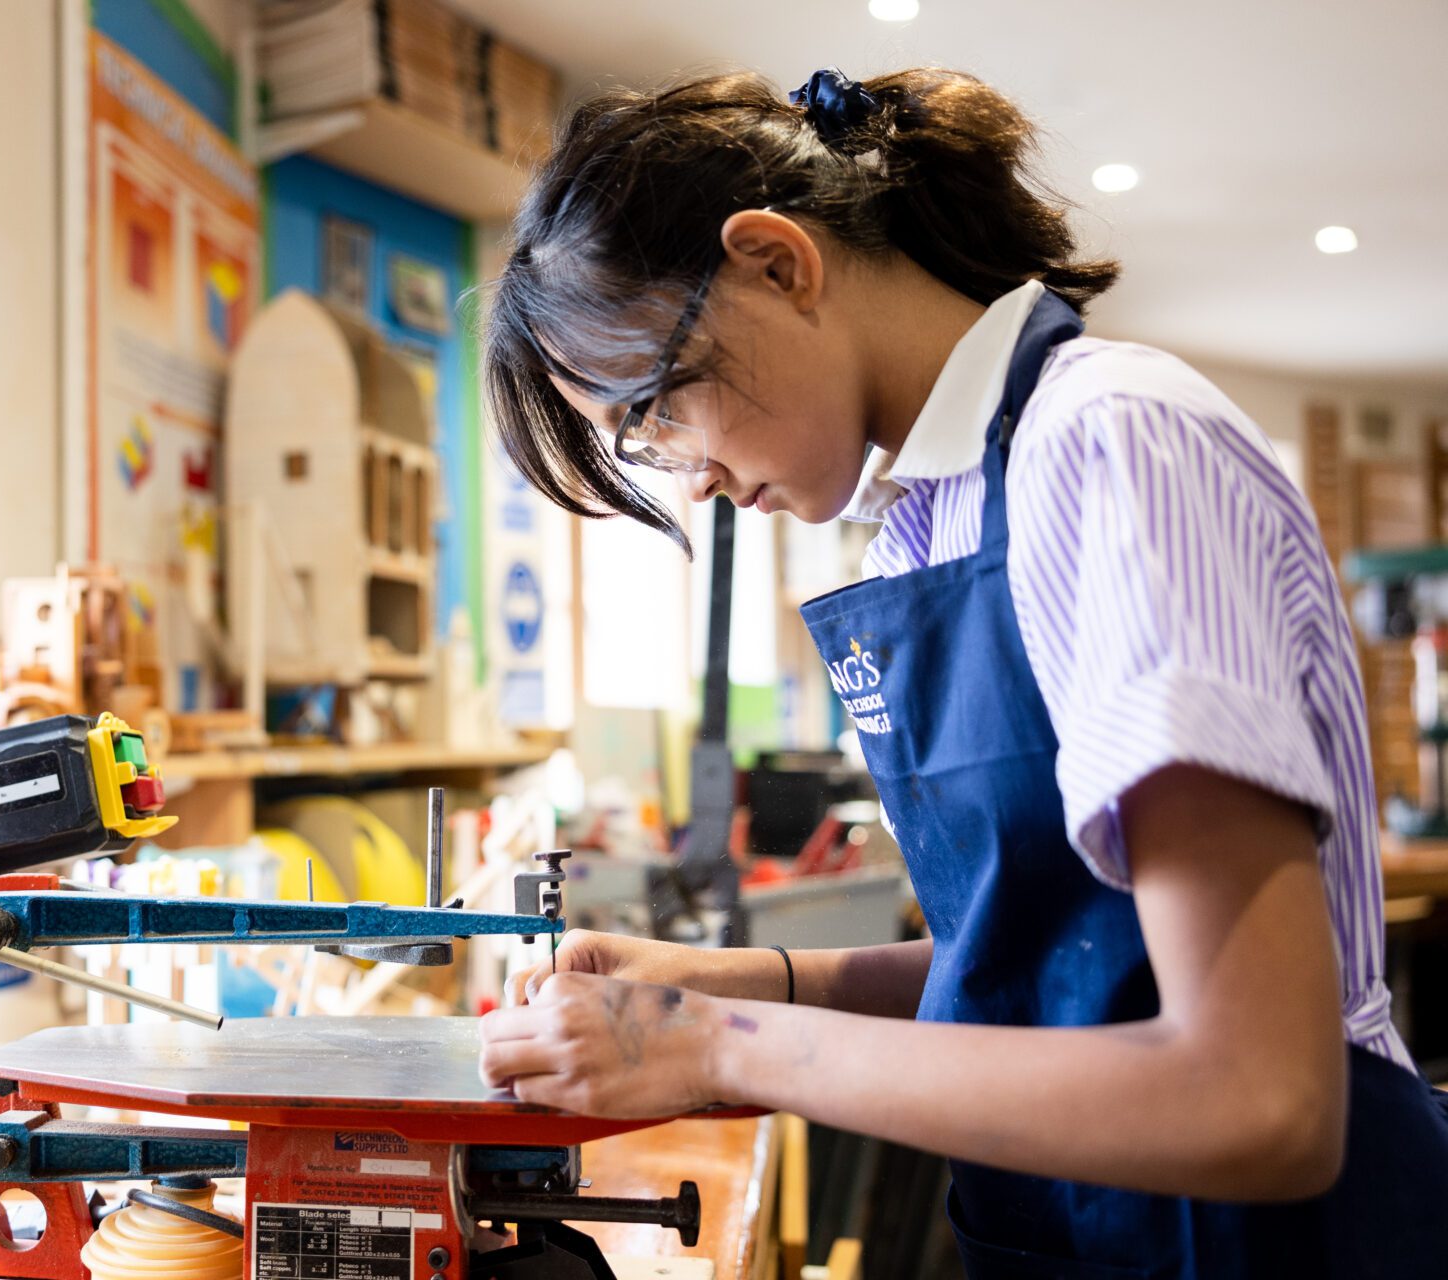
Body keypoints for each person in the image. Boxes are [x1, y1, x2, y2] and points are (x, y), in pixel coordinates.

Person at [474, 67, 1448, 1277]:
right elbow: (1059, 959)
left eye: (656, 408)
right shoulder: (929, 526)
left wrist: (719, 1042)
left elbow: (1258, 1093)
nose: (688, 476)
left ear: (778, 263)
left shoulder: (1113, 445)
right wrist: (727, 980)